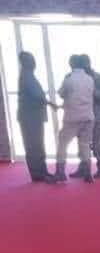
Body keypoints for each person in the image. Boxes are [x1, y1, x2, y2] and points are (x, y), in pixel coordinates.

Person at [16, 52, 58, 183]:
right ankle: (37, 174)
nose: (34, 63)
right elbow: (37, 95)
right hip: (30, 117)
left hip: (33, 116)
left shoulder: (28, 75)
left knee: (38, 145)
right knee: (33, 146)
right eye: (31, 60)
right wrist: (50, 103)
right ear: (26, 62)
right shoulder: (27, 76)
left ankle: (42, 172)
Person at [54, 54, 95, 183]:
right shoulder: (90, 79)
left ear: (71, 64)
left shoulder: (69, 79)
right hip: (88, 117)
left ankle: (60, 173)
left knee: (62, 144)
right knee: (85, 145)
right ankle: (88, 174)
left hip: (72, 117)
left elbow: (61, 94)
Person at [71, 54, 100, 179]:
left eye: (84, 65)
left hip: (98, 119)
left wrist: (93, 92)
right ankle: (83, 169)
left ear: (89, 64)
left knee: (97, 145)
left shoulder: (98, 78)